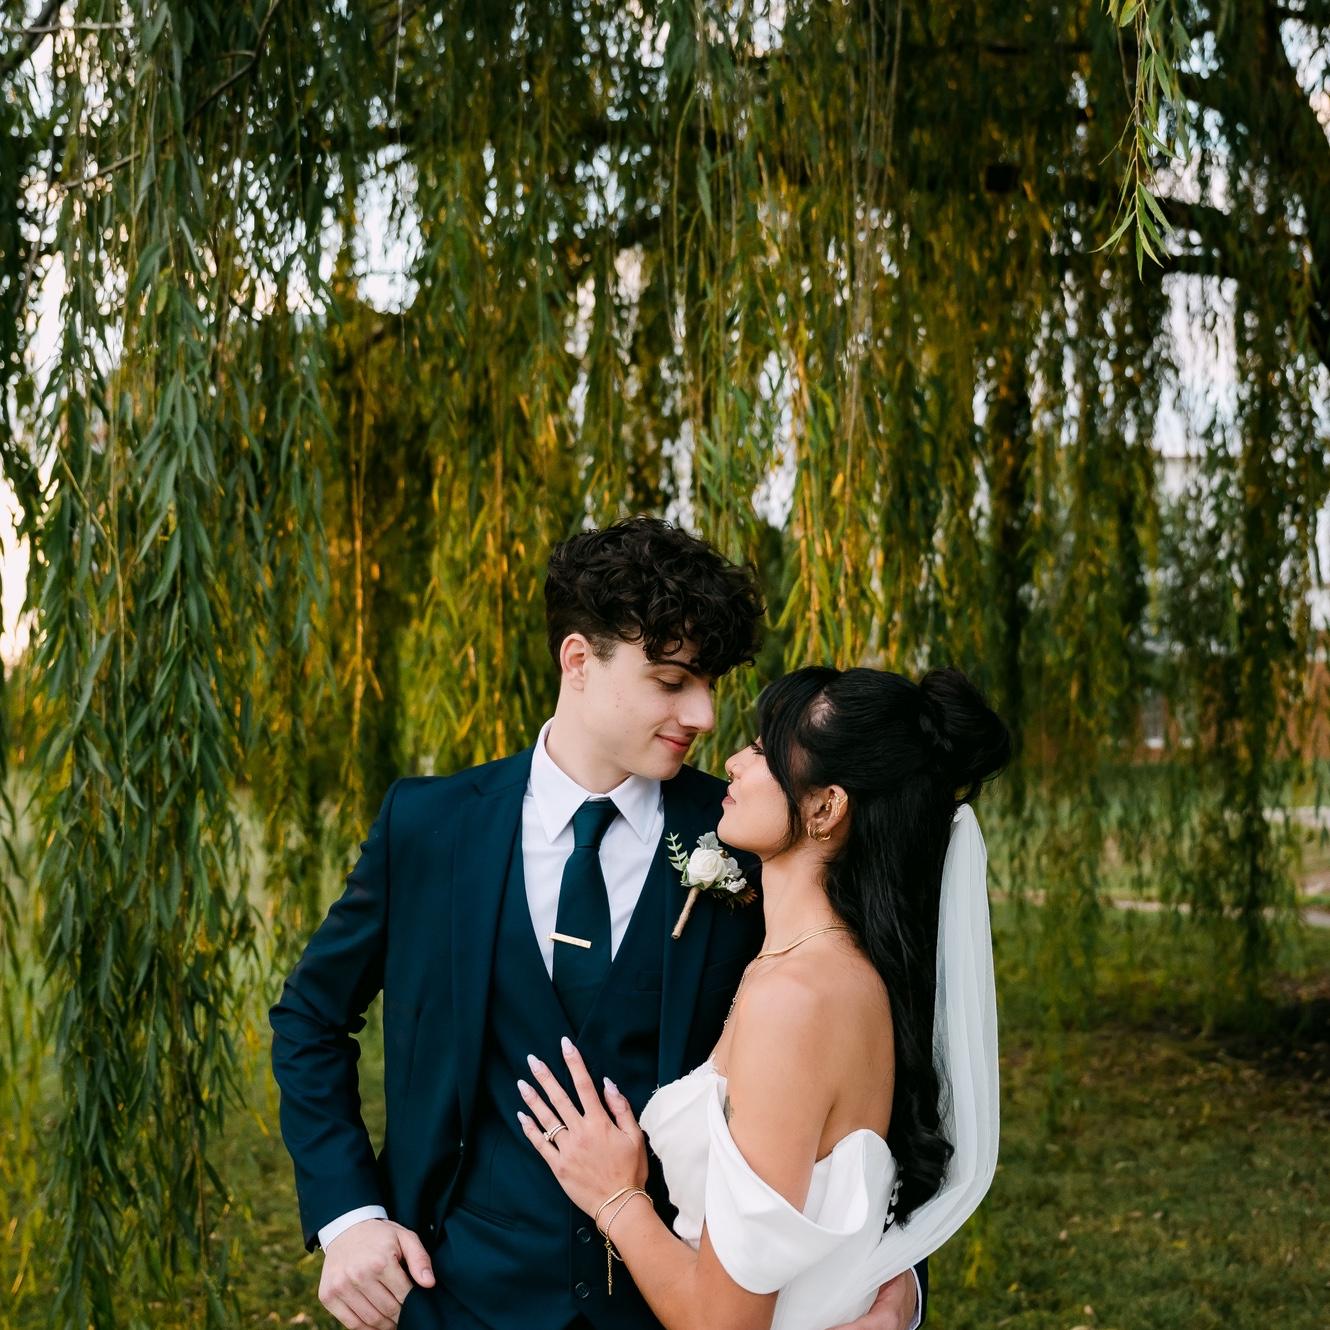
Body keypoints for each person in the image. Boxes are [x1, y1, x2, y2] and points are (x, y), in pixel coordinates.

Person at [269, 517, 929, 1330]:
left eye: (709, 681)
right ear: (578, 661)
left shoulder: (754, 836)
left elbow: (868, 1056)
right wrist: (350, 1217)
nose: (703, 712)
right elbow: (310, 1019)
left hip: (673, 1307)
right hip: (450, 1297)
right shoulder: (429, 827)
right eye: (671, 680)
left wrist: (892, 1275)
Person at [516, 664, 1010, 1330]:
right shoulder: (833, 968)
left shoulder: (797, 999)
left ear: (825, 807)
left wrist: (616, 1198)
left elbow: (725, 1322)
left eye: (761, 749)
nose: (732, 761)